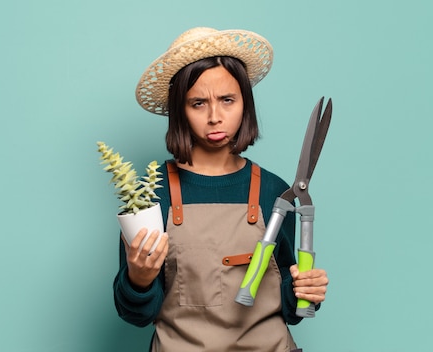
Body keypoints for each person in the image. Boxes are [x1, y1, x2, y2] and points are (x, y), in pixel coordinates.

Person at [113, 27, 329, 352]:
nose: (215, 117)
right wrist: (138, 279)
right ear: (179, 110)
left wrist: (304, 289)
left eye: (227, 100)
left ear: (245, 103)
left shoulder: (275, 191)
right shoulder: (151, 193)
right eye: (198, 103)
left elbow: (290, 308)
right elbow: (137, 315)